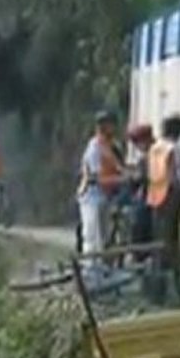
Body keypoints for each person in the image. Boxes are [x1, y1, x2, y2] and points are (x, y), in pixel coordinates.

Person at [77, 110, 124, 269]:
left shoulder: (112, 146)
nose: (113, 128)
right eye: (110, 125)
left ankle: (102, 272)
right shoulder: (94, 148)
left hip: (106, 196)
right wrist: (121, 179)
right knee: (92, 238)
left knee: (104, 240)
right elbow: (96, 177)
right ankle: (90, 272)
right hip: (92, 196)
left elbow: (119, 167)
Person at [147, 113, 180, 267]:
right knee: (170, 238)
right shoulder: (173, 149)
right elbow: (176, 178)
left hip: (154, 195)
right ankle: (168, 273)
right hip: (170, 196)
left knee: (157, 237)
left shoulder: (155, 148)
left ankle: (157, 270)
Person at [127, 123, 155, 246]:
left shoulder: (149, 156)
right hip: (149, 196)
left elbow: (141, 177)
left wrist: (131, 178)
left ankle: (138, 252)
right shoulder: (149, 155)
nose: (137, 147)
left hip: (148, 197)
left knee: (139, 224)